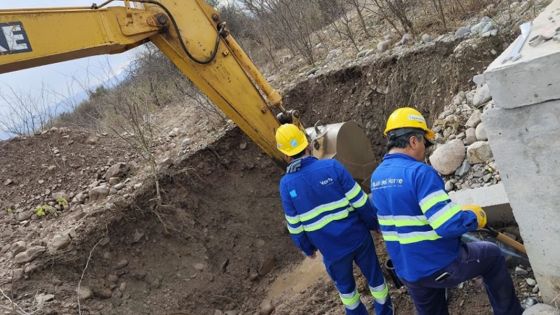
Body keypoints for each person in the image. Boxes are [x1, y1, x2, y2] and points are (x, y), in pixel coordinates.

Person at [369, 107, 523, 315]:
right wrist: (473, 217)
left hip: (407, 270)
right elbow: (447, 226)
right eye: (424, 142)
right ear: (414, 141)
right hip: (438, 266)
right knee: (492, 255)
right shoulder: (419, 173)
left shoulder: (377, 176)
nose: (425, 148)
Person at [276, 123, 393, 315]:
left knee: (346, 290)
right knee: (375, 277)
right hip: (358, 238)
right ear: (308, 145)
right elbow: (360, 201)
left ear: (285, 155)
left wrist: (308, 248)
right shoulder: (331, 166)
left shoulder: (286, 185)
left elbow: (295, 226)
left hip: (331, 249)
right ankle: (384, 310)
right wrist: (374, 224)